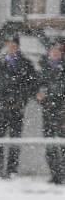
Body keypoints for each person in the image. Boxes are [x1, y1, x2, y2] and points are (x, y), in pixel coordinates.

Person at [0, 34, 38, 178]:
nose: (11, 47)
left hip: (17, 108)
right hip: (1, 109)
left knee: (15, 141)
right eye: (9, 44)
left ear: (17, 46)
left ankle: (12, 170)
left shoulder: (26, 64)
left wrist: (21, 101)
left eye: (13, 44)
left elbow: (31, 85)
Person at [36, 39, 65, 184]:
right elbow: (37, 87)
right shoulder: (44, 70)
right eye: (52, 51)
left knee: (62, 144)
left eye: (57, 51)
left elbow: (59, 90)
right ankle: (55, 174)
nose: (54, 53)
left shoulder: (62, 69)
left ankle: (63, 174)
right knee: (50, 145)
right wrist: (39, 96)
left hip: (62, 112)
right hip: (48, 112)